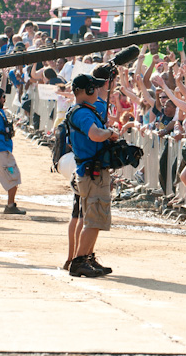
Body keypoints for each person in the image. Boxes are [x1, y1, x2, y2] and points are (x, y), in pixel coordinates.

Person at [67, 74, 118, 277]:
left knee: (94, 218)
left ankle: (86, 257)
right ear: (88, 91)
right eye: (94, 89)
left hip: (90, 171)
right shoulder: (83, 113)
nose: (97, 92)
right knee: (94, 219)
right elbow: (95, 134)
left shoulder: (81, 111)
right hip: (92, 173)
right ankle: (79, 261)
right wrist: (110, 133)